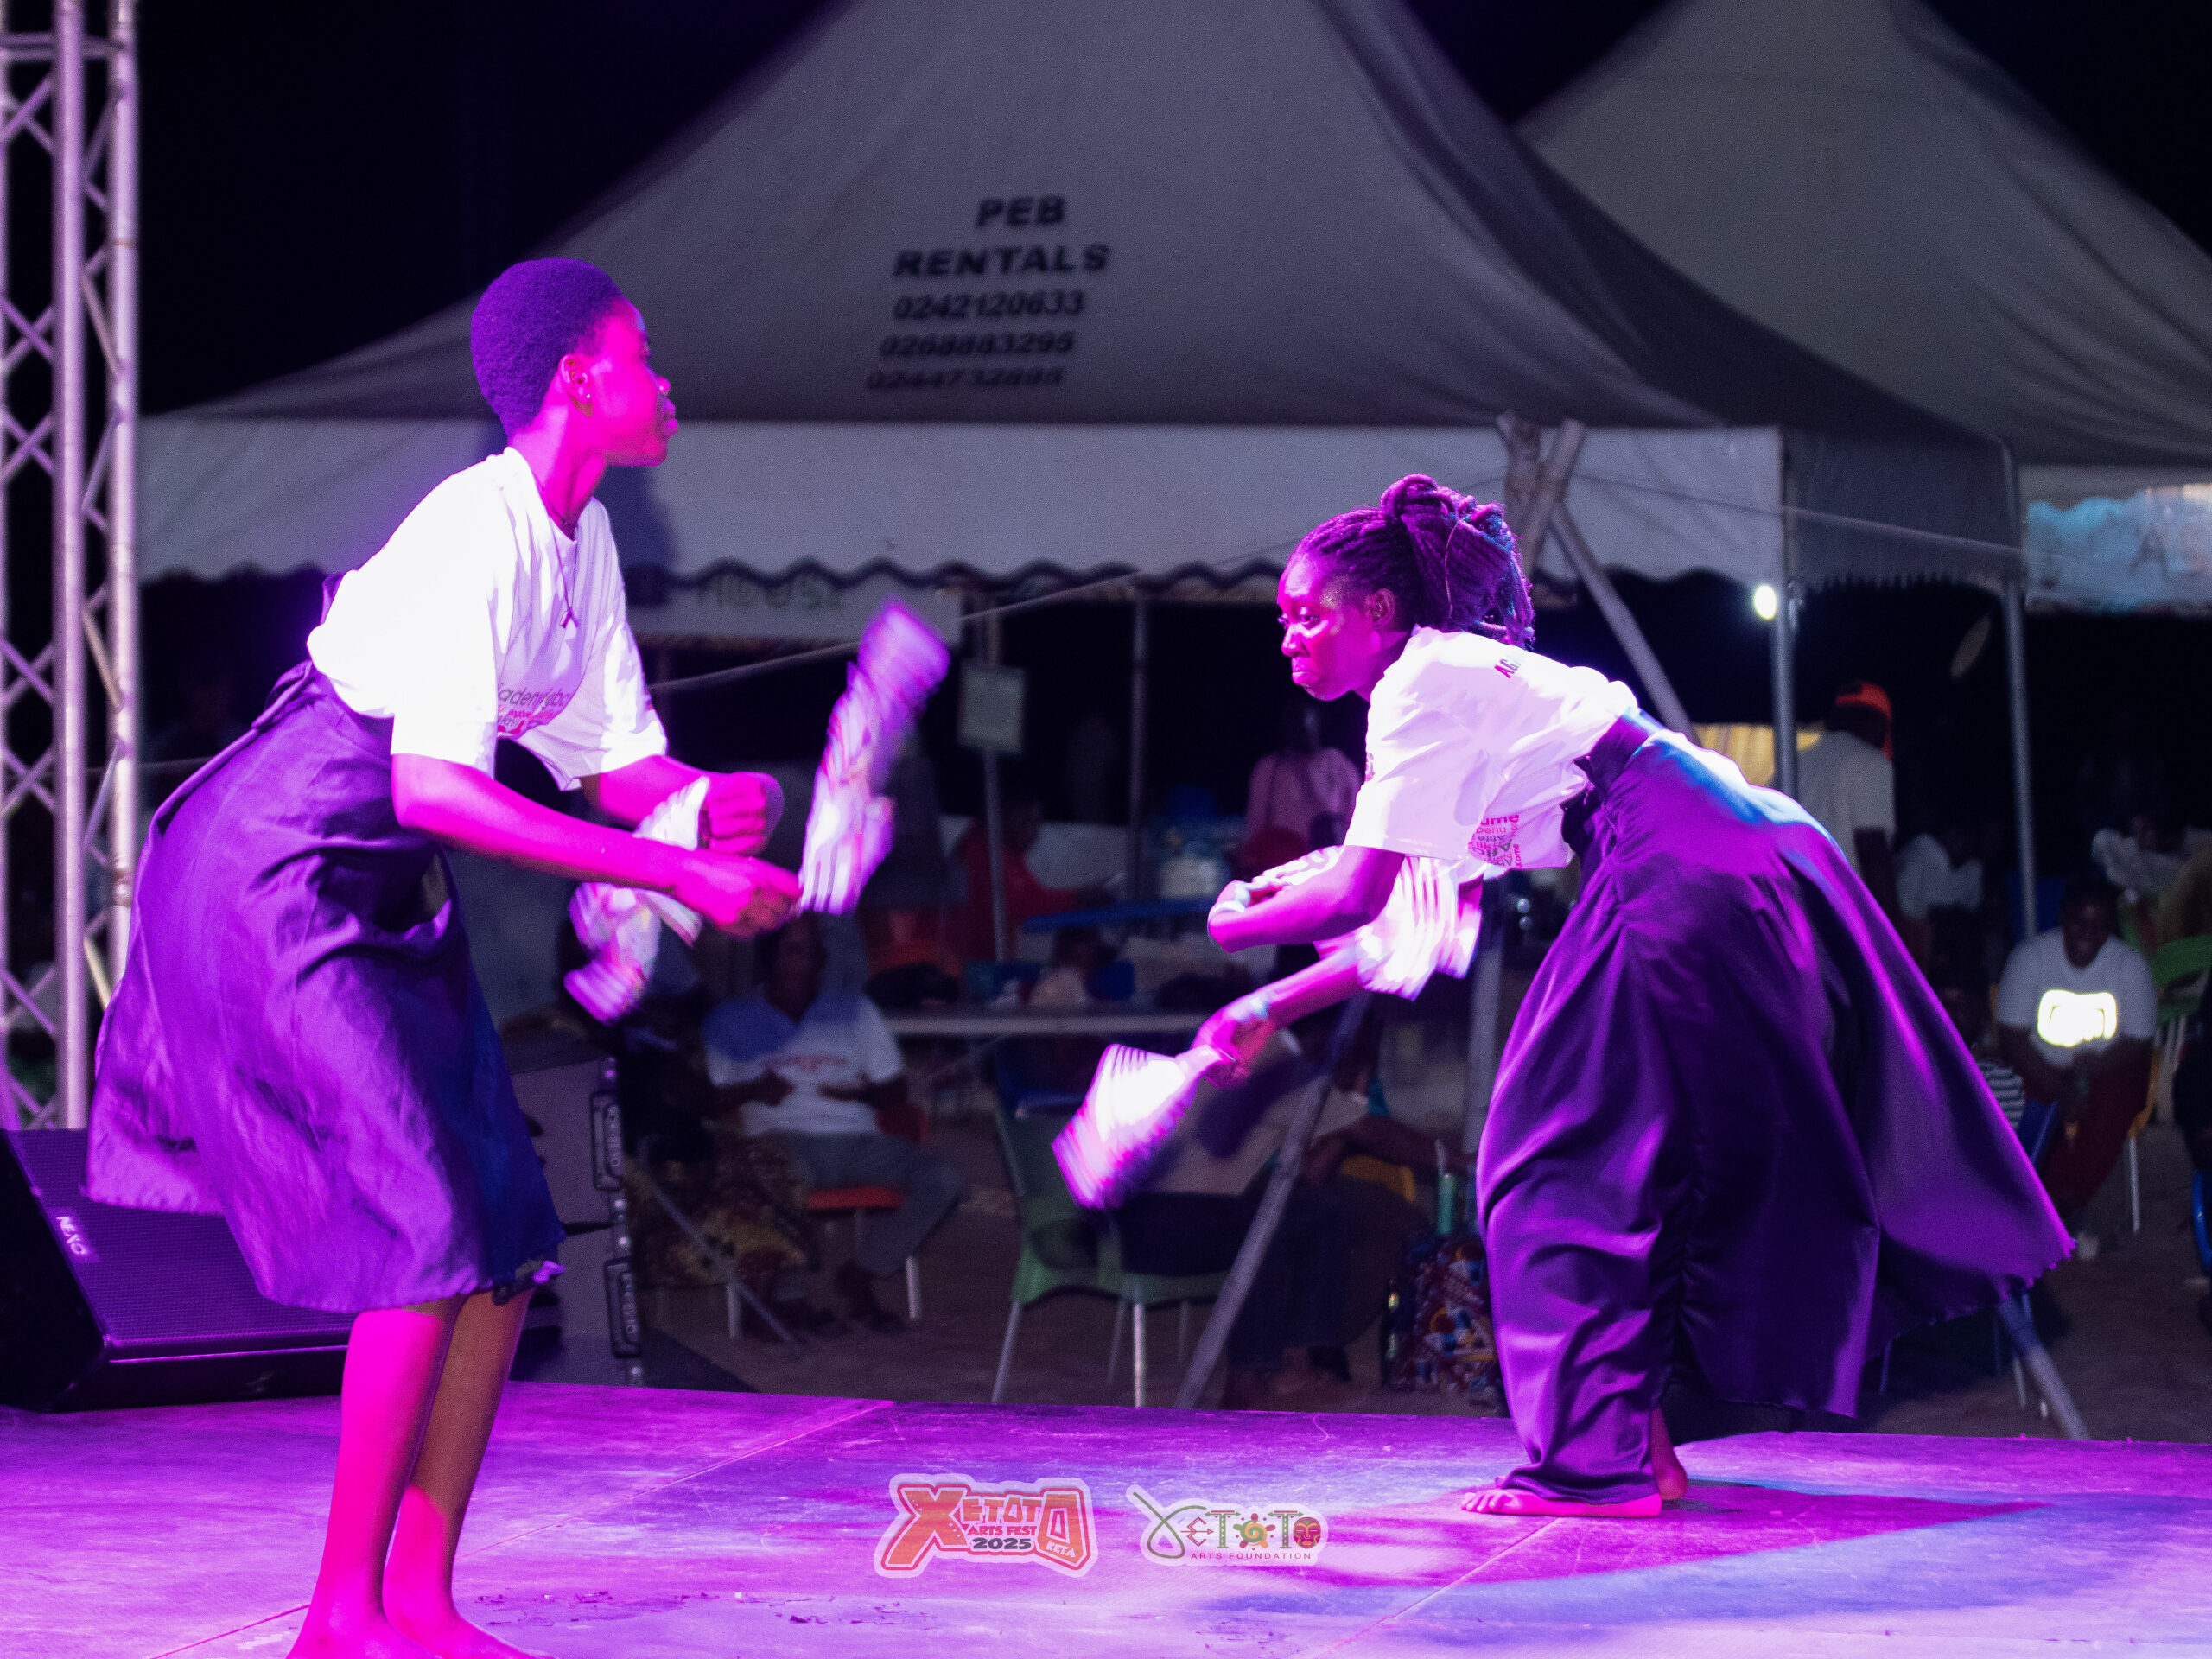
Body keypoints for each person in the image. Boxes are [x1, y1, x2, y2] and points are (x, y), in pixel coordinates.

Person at [86, 258, 799, 1659]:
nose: (667, 385)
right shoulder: (479, 529)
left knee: (506, 1238)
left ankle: (417, 1601)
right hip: (272, 869)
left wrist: (710, 803)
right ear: (579, 379)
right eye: (643, 358)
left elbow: (613, 766)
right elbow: (438, 792)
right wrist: (672, 870)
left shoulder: (582, 540)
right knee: (422, 1228)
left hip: (377, 886)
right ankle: (337, 1619)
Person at [1199, 474, 2066, 1519]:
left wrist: (1233, 922)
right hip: (1716, 840)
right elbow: (1425, 920)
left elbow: (1355, 892)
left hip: (1676, 857)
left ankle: (1593, 1466)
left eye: (1306, 615)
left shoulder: (1418, 686)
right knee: (1631, 1155)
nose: (1288, 639)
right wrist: (1270, 1006)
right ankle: (1635, 1448)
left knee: (1547, 1154)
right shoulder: (1454, 690)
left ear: (1377, 611)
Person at [703, 913, 965, 1330]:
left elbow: (894, 1091)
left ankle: (862, 1273)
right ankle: (785, 1299)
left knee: (944, 1178)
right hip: (781, 1139)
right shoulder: (731, 1019)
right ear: (768, 958)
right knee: (778, 1175)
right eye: (794, 950)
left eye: (814, 951)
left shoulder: (855, 1010)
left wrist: (861, 1093)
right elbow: (709, 1099)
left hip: (856, 1139)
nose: (806, 961)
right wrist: (756, 1089)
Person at [1996, 877, 2156, 1222]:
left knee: (2121, 1093)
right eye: (2079, 923)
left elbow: (2139, 1041)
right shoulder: (2031, 958)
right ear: (2063, 918)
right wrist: (2060, 1088)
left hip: (2104, 1066)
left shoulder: (2129, 966)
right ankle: (2053, 1195)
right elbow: (2012, 1037)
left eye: (2099, 926)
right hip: (2039, 1065)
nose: (2088, 934)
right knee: (2025, 1095)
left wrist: (2087, 1073)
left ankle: (2072, 1197)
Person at [949, 787, 1105, 963]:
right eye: (1023, 822)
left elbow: (1034, 894)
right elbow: (1019, 904)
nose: (1032, 831)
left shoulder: (1009, 851)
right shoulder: (981, 851)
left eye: (1036, 823)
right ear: (1002, 818)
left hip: (987, 958)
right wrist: (1077, 898)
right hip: (963, 960)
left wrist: (1084, 894)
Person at [1794, 680, 1900, 919]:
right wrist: (1891, 926)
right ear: (1878, 725)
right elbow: (1872, 850)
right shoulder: (1871, 762)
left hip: (1795, 906)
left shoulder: (1794, 763)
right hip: (1842, 913)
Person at [1244, 698, 1360, 856]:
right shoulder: (1270, 767)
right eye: (1292, 720)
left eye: (1305, 717)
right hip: (1283, 860)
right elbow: (1256, 824)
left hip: (1330, 857)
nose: (1299, 727)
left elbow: (1357, 815)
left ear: (1318, 720)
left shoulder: (1338, 764)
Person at [1894, 812, 1986, 975]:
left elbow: (1972, 910)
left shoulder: (1972, 868)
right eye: (1960, 837)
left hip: (1936, 942)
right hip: (1904, 931)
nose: (1963, 844)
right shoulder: (1925, 850)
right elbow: (1908, 909)